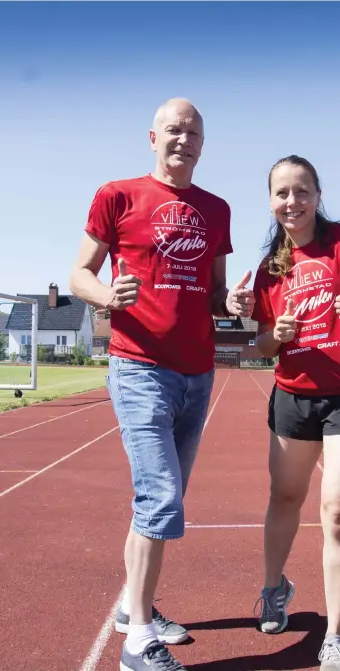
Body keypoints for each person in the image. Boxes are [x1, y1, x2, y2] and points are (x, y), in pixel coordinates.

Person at [69, 98, 254, 671]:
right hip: (139, 366)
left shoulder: (217, 209)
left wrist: (234, 302)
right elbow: (77, 275)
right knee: (160, 498)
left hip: (198, 372)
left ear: (203, 144)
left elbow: (215, 291)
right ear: (153, 137)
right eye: (174, 130)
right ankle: (137, 643)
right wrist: (107, 295)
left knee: (157, 498)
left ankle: (131, 607)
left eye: (193, 132)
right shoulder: (116, 195)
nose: (184, 139)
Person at [252, 155, 340, 670]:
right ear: (271, 201)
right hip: (293, 394)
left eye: (302, 191)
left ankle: (335, 631)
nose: (292, 201)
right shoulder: (269, 269)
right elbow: (260, 344)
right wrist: (274, 335)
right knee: (286, 496)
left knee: (336, 512)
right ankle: (273, 588)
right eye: (282, 193)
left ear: (318, 194)